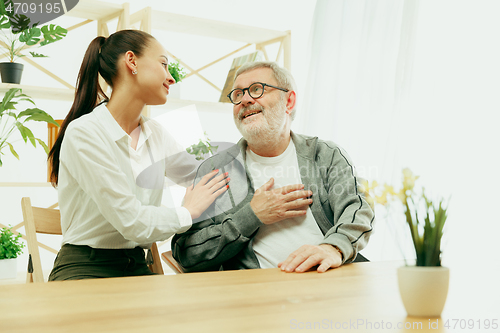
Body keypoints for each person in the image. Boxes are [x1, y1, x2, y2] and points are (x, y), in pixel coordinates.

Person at [47, 30, 229, 281]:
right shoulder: (85, 133)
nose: (171, 78)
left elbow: (202, 174)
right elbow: (131, 221)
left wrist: (254, 143)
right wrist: (189, 211)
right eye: (164, 64)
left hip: (137, 267)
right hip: (84, 268)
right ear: (131, 61)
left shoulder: (156, 134)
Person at [171, 61, 374, 273]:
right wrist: (251, 216)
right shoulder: (215, 170)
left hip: (329, 284)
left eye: (257, 89)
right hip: (258, 295)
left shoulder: (327, 155)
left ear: (289, 101)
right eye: (238, 94)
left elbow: (359, 211)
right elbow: (187, 252)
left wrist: (333, 247)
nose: (245, 100)